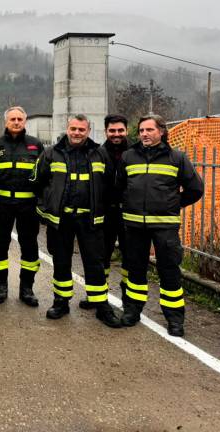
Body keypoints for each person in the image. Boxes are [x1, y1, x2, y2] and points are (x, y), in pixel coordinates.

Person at [31, 115, 122, 328]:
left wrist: (104, 211)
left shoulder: (101, 154)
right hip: (61, 220)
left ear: (88, 130)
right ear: (67, 129)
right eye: (73, 128)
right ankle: (61, 302)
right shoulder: (51, 153)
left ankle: (101, 306)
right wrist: (45, 209)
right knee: (61, 262)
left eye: (81, 129)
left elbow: (111, 186)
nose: (77, 133)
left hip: (90, 220)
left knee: (95, 264)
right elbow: (37, 182)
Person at [117, 114, 204, 337]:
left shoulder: (177, 158)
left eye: (150, 130)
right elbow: (120, 188)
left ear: (162, 131)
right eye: (142, 130)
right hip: (134, 226)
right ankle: (131, 312)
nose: (145, 134)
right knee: (135, 271)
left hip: (165, 227)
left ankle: (175, 320)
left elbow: (195, 189)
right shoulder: (128, 156)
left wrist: (173, 204)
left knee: (169, 273)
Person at [0, 106, 42, 306]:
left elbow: (43, 177)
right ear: (5, 122)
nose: (16, 122)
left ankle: (27, 289)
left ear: (25, 121)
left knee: (30, 247)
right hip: (2, 205)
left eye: (20, 118)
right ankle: (1, 286)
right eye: (12, 119)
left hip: (28, 206)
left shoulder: (36, 145)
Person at [80, 114, 131, 310]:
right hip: (104, 213)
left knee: (130, 257)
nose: (116, 134)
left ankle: (128, 298)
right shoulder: (97, 153)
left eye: (120, 130)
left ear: (126, 131)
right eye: (112, 131)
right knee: (101, 256)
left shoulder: (135, 152)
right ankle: (97, 296)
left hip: (129, 215)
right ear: (105, 131)